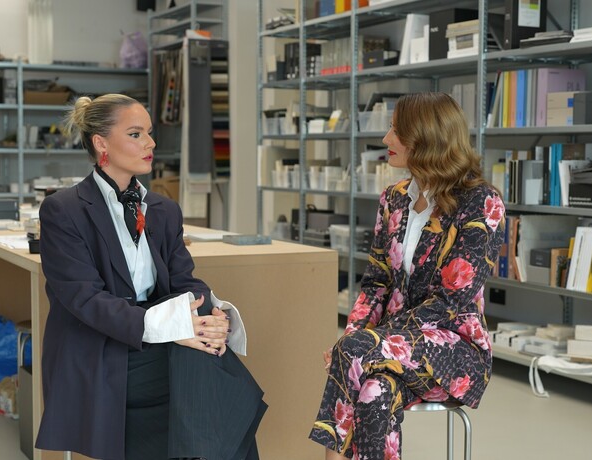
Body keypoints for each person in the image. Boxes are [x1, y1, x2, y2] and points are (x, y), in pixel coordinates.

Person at [35, 94, 266, 460]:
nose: (151, 143)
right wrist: (173, 328)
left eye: (149, 132)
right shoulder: (63, 210)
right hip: (100, 346)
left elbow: (184, 279)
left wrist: (213, 316)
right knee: (210, 370)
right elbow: (86, 300)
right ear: (101, 143)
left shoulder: (163, 210)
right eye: (136, 134)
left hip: (153, 340)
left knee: (205, 356)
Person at [309, 92, 505, 460]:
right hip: (391, 347)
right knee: (375, 391)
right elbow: (376, 283)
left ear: (426, 137)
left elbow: (450, 302)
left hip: (454, 350)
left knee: (351, 351)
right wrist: (359, 335)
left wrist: (365, 343)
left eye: (396, 131)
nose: (386, 138)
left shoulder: (481, 202)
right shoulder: (393, 198)